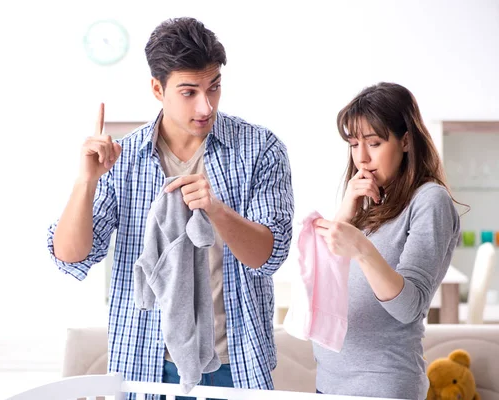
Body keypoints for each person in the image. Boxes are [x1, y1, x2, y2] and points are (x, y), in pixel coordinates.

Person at [47, 17, 294, 398]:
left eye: (214, 87)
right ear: (157, 89)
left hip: (236, 362)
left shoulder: (260, 149)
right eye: (189, 91)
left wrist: (217, 210)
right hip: (145, 362)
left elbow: (270, 256)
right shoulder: (124, 158)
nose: (205, 105)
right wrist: (86, 181)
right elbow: (71, 257)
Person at [311, 82, 461, 399]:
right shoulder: (372, 201)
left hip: (381, 388)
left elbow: (410, 306)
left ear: (406, 141)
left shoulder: (430, 201)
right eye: (353, 144)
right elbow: (322, 283)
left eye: (375, 143)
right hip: (330, 383)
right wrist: (347, 209)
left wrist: (364, 251)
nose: (362, 158)